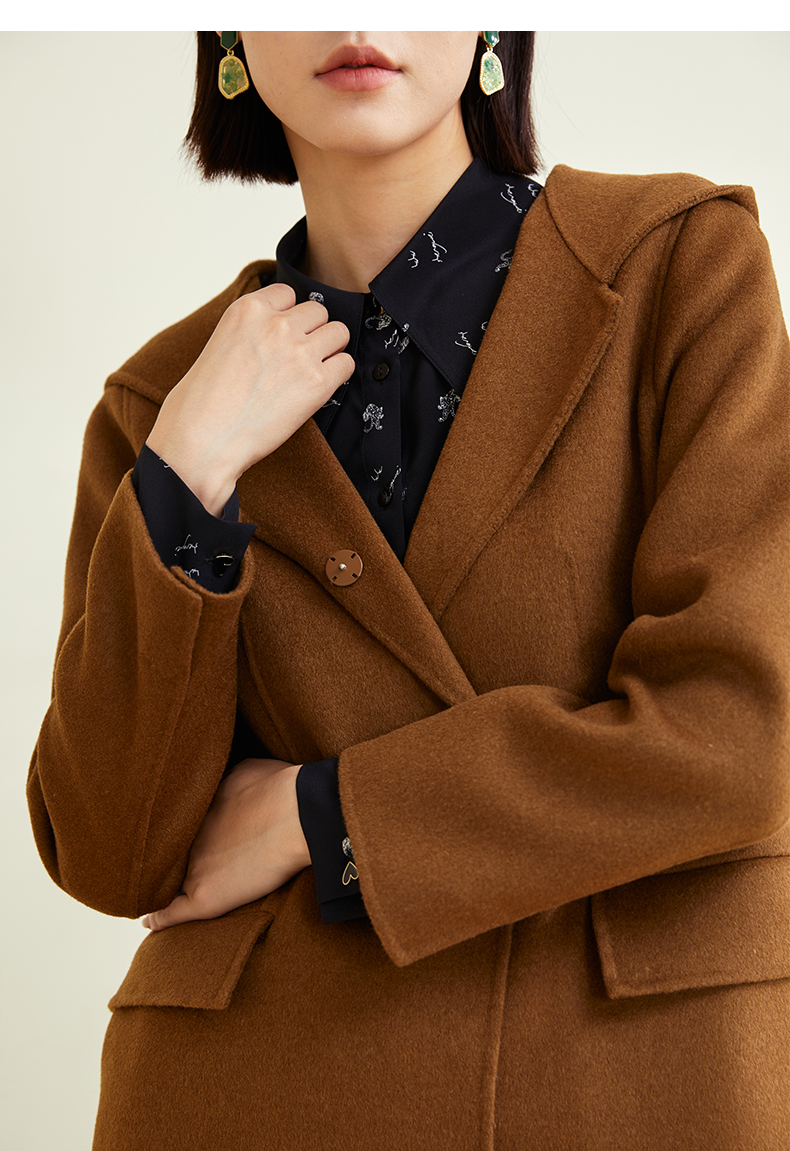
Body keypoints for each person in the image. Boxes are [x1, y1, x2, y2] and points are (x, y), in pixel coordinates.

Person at [28, 30, 789, 1150]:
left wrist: (319, 814)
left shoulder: (676, 265)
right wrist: (191, 471)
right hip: (254, 1096)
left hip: (632, 1080)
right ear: (231, 35)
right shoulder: (160, 404)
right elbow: (113, 852)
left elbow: (738, 732)